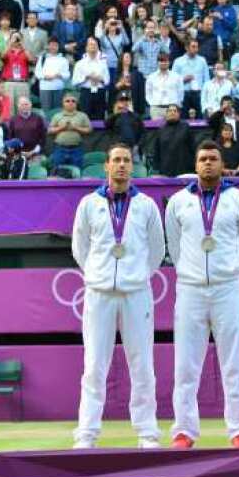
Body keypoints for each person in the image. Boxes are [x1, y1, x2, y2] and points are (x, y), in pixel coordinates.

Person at [70, 143, 165, 449]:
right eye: (116, 160)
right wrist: (98, 275)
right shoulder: (88, 204)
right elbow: (80, 248)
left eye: (127, 160)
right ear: (107, 167)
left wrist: (135, 276)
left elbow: (157, 250)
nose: (122, 165)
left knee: (142, 363)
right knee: (94, 364)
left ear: (132, 167)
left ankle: (148, 433)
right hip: (99, 293)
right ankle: (86, 433)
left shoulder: (147, 205)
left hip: (136, 292)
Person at [166, 139, 239, 449]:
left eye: (213, 159)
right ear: (195, 165)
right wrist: (191, 273)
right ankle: (184, 430)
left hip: (227, 288)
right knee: (186, 364)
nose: (207, 163)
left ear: (222, 164)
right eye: (203, 158)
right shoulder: (178, 202)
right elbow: (174, 246)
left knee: (235, 362)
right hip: (190, 288)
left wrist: (228, 271)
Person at [48, 92, 91, 171]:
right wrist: (61, 128)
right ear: (63, 103)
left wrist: (76, 128)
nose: (70, 103)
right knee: (56, 171)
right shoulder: (57, 116)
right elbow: (50, 130)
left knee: (77, 172)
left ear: (76, 104)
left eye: (73, 101)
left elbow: (89, 130)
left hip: (77, 149)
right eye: (67, 101)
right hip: (60, 148)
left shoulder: (82, 115)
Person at [72, 37, 110, 120]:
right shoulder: (79, 64)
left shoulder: (102, 63)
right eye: (91, 44)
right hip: (86, 93)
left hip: (100, 93)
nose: (93, 46)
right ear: (86, 47)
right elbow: (74, 81)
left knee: (100, 118)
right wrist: (86, 77)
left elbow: (107, 80)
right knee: (85, 119)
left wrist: (100, 79)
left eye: (95, 45)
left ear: (98, 48)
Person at [152, 104, 195, 176]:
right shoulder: (161, 130)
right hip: (165, 170)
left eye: (175, 111)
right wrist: (156, 168)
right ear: (166, 114)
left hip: (184, 170)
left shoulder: (186, 127)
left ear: (179, 114)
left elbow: (193, 147)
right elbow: (157, 151)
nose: (172, 113)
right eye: (170, 111)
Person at [172, 39, 210, 119]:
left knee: (200, 118)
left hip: (199, 94)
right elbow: (173, 81)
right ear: (186, 47)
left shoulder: (202, 60)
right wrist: (183, 79)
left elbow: (207, 80)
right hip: (184, 94)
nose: (196, 49)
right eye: (193, 47)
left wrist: (205, 94)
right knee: (183, 119)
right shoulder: (178, 61)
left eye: (197, 47)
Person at [146, 53, 184, 120]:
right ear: (157, 62)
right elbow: (148, 93)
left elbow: (181, 93)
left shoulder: (176, 77)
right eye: (161, 61)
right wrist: (153, 104)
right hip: (157, 109)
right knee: (158, 130)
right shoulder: (151, 77)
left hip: (172, 109)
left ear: (169, 62)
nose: (163, 63)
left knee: (173, 129)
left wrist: (176, 105)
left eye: (165, 61)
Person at [7, 96, 46, 161]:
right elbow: (10, 138)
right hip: (18, 154)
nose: (24, 106)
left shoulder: (38, 118)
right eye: (22, 105)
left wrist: (33, 152)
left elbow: (43, 138)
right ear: (18, 106)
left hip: (35, 153)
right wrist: (18, 152)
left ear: (31, 105)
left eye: (26, 104)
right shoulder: (13, 120)